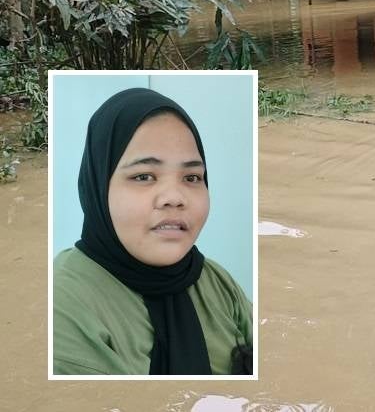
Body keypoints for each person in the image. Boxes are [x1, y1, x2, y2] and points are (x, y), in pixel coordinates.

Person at [53, 88, 253, 376]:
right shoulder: (63, 304)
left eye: (192, 177)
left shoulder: (217, 283)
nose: (174, 197)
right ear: (98, 186)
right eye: (144, 176)